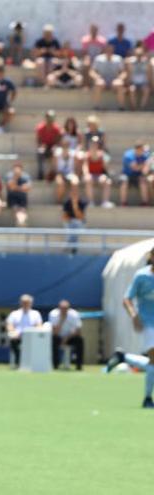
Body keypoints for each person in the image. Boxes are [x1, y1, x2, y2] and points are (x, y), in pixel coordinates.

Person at [123, 246, 154, 408]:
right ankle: (148, 399)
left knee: (152, 362)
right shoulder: (141, 276)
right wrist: (134, 315)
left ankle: (124, 357)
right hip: (148, 323)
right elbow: (127, 299)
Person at [5, 294, 43, 368]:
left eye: (27, 302)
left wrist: (33, 333)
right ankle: (19, 363)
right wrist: (13, 332)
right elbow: (9, 325)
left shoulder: (36, 313)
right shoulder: (14, 313)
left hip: (32, 338)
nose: (25, 304)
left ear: (31, 303)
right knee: (14, 341)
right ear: (20, 303)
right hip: (18, 337)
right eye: (23, 302)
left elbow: (39, 326)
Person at [47, 300, 84, 370]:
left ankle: (79, 366)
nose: (64, 310)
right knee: (54, 339)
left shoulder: (74, 314)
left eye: (66, 308)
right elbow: (55, 332)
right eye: (62, 308)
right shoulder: (53, 314)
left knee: (79, 340)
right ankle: (55, 365)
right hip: (58, 337)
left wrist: (67, 338)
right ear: (59, 308)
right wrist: (62, 319)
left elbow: (78, 331)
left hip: (70, 337)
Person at [82, 135, 113, 207]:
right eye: (92, 143)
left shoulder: (103, 155)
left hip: (99, 175)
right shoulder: (87, 154)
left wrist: (106, 175)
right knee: (88, 179)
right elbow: (85, 166)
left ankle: (105, 202)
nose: (94, 145)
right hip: (90, 175)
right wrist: (86, 174)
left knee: (107, 182)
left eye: (96, 143)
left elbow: (106, 168)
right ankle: (90, 202)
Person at [119, 141, 151, 206]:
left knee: (143, 182)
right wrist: (145, 164)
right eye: (141, 150)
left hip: (138, 175)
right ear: (137, 149)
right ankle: (123, 202)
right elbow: (134, 168)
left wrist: (146, 165)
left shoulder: (145, 155)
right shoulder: (128, 155)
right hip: (127, 174)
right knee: (124, 181)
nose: (142, 151)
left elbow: (145, 171)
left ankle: (145, 203)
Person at [62, 175, 87, 254]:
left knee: (77, 225)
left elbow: (81, 217)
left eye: (76, 189)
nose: (74, 191)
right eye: (72, 189)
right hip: (70, 222)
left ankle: (72, 248)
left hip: (79, 223)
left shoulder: (82, 201)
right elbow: (65, 217)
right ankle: (71, 248)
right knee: (70, 227)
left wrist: (75, 205)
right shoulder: (67, 202)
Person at [36, 110, 62, 180]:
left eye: (52, 118)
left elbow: (58, 141)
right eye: (49, 118)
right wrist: (41, 146)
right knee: (40, 152)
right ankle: (41, 173)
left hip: (52, 146)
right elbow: (39, 140)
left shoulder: (57, 128)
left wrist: (55, 146)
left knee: (56, 153)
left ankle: (54, 173)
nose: (50, 120)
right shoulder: (40, 128)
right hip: (44, 146)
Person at [124, 47, 152, 111]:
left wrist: (151, 84)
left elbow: (149, 74)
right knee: (131, 90)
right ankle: (134, 107)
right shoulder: (130, 62)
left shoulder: (147, 62)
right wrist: (127, 84)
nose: (139, 56)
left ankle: (142, 108)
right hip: (133, 83)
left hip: (144, 83)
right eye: (138, 54)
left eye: (140, 55)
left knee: (146, 90)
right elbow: (128, 73)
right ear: (135, 54)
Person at [5, 162, 31, 227]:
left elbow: (28, 188)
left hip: (22, 197)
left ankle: (21, 222)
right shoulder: (9, 175)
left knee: (22, 210)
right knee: (16, 209)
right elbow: (10, 187)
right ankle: (20, 222)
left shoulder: (26, 176)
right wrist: (15, 178)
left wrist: (16, 187)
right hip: (12, 197)